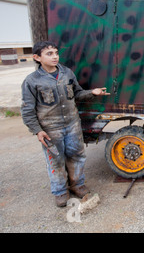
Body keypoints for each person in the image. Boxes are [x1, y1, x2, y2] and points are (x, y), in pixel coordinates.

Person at [21, 41, 110, 207]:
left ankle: (77, 185)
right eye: (49, 54)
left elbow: (77, 94)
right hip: (50, 130)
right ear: (37, 57)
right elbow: (27, 110)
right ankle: (60, 191)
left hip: (72, 125)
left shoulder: (66, 73)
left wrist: (92, 92)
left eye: (56, 53)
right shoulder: (32, 81)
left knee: (77, 155)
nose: (55, 56)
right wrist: (37, 131)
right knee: (55, 159)